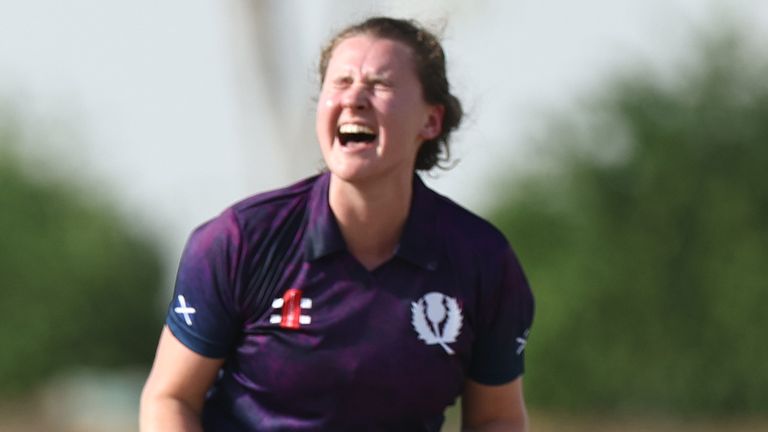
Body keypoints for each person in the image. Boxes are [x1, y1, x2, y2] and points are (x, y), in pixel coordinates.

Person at [140, 16, 534, 432]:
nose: (355, 98)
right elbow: (170, 397)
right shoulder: (239, 240)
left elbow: (497, 417)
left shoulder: (483, 261)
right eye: (341, 82)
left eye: (380, 84)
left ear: (430, 121)